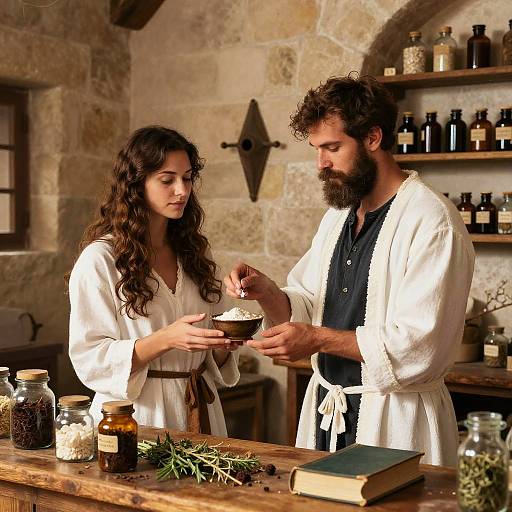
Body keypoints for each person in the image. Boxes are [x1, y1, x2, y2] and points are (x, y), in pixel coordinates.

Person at [224, 75, 474, 466]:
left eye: (332, 148)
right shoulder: (338, 217)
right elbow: (308, 303)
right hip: (329, 412)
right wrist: (267, 292)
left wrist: (317, 339)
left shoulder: (431, 220)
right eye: (317, 149)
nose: (321, 163)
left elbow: (418, 344)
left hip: (396, 421)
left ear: (373, 138)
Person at [69, 125, 239, 435]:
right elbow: (89, 357)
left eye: (187, 178)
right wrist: (166, 339)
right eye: (167, 180)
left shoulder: (195, 255)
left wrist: (226, 342)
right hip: (135, 417)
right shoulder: (101, 260)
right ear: (137, 184)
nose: (182, 190)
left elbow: (214, 358)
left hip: (200, 409)